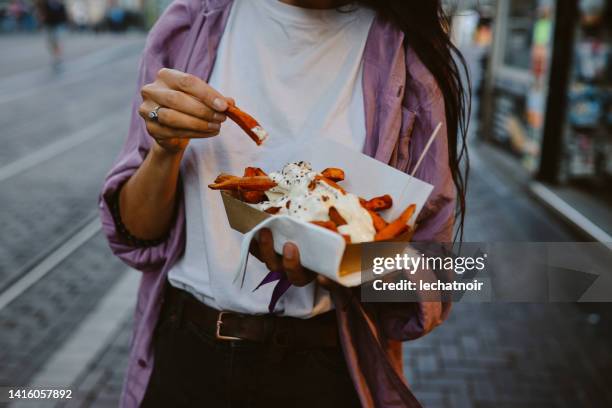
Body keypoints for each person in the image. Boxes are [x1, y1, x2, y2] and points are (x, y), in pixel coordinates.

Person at [100, 0, 469, 407]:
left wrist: (346, 263)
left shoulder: (409, 57)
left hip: (324, 369)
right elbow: (137, 234)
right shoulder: (189, 26)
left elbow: (438, 274)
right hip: (185, 354)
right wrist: (164, 151)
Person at [37, 0, 67, 68]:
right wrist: (41, 22)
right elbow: (42, 14)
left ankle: (57, 56)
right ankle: (55, 55)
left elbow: (63, 13)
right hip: (48, 24)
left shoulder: (59, 4)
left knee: (55, 40)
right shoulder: (45, 3)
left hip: (56, 25)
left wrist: (64, 21)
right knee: (50, 41)